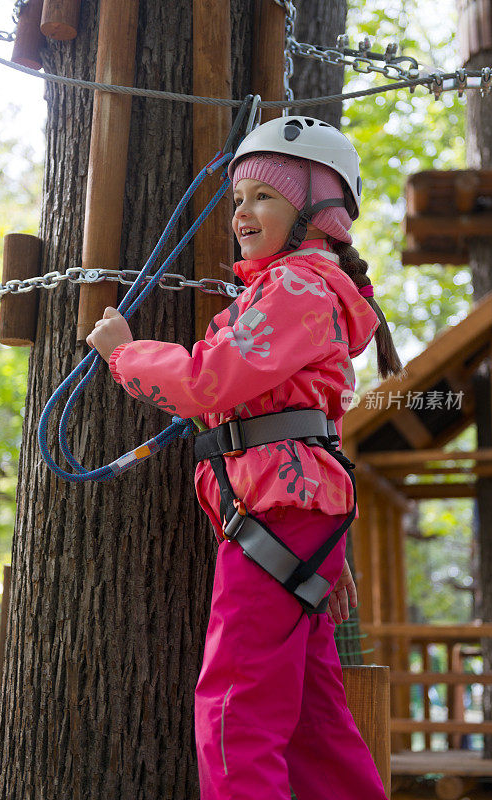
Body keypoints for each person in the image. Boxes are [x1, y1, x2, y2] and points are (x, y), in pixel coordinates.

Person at [86, 116, 403, 800]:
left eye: (264, 195)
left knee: (236, 709)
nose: (243, 213)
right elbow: (321, 426)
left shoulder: (294, 287)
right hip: (295, 518)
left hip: (272, 515)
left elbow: (208, 381)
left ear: (317, 208)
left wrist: (122, 353)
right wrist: (329, 549)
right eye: (238, 200)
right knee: (316, 719)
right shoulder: (306, 291)